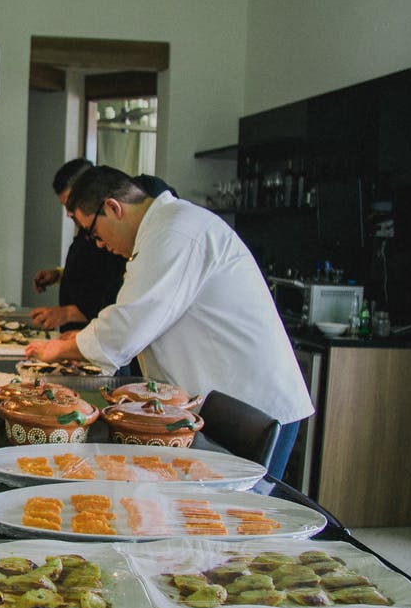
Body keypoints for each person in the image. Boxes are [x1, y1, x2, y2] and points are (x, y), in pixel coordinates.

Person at [25, 166, 312, 478]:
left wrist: (57, 350)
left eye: (93, 232)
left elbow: (127, 326)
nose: (97, 244)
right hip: (224, 402)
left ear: (113, 208)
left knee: (239, 516)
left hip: (251, 410)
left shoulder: (175, 231)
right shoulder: (163, 230)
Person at [30, 159, 128, 332]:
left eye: (71, 204)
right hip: (76, 337)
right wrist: (60, 274)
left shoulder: (113, 235)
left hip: (96, 337)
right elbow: (93, 273)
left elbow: (113, 294)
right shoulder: (86, 229)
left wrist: (67, 313)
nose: (69, 213)